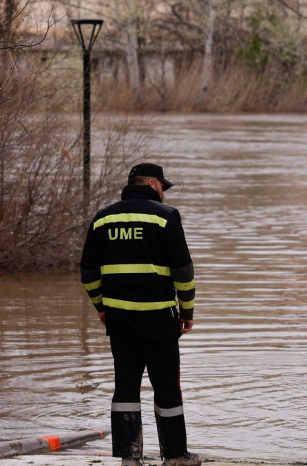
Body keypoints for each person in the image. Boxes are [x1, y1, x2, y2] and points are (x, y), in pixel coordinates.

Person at [80, 163, 202, 466]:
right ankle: (175, 456)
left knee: (125, 384)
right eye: (162, 186)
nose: (164, 193)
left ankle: (129, 458)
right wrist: (187, 310)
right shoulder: (165, 216)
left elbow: (89, 273)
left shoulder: (103, 218)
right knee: (166, 385)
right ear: (151, 183)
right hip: (159, 317)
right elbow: (183, 272)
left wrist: (101, 307)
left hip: (119, 318)